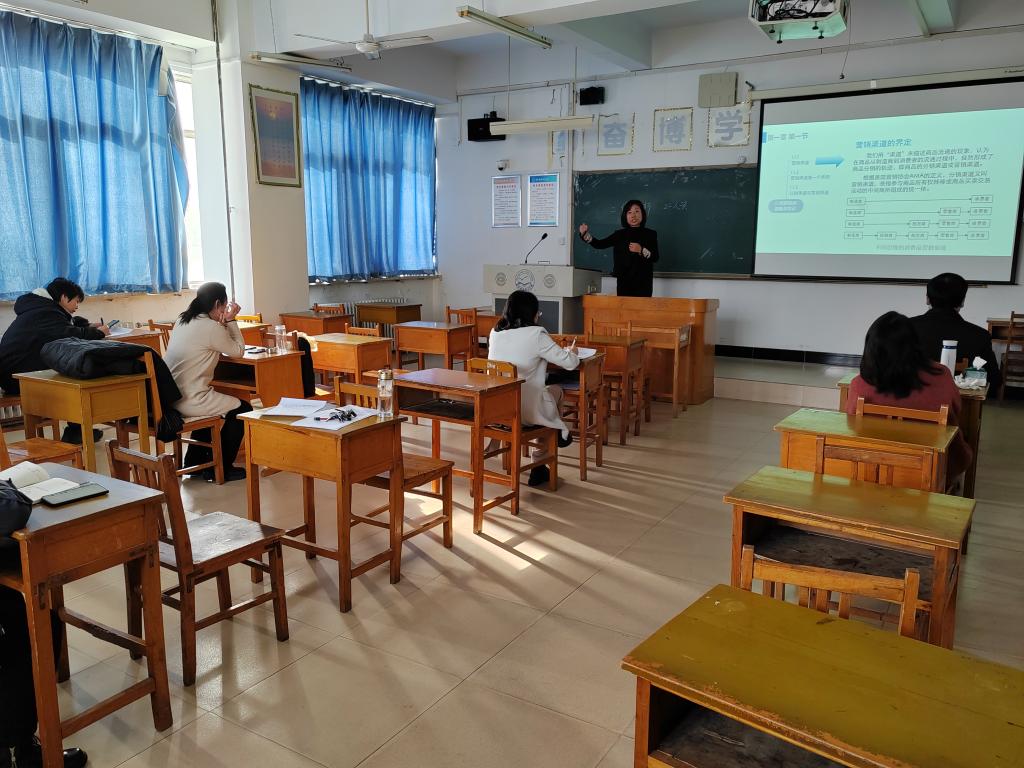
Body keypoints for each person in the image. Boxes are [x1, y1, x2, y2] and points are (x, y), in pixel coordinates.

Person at [847, 311, 972, 481]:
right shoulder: (941, 375)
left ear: (870, 347)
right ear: (916, 344)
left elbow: (851, 426)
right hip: (932, 470)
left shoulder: (859, 385)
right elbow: (956, 409)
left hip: (872, 469)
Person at [0, 278, 110, 444]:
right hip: (16, 378)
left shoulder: (40, 308)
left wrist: (88, 326)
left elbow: (65, 326)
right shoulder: (45, 312)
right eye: (76, 301)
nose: (77, 306)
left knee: (69, 370)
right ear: (64, 297)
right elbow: (69, 334)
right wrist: (99, 333)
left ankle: (76, 431)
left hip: (16, 372)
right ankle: (76, 431)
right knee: (73, 375)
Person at [488, 290, 578, 487]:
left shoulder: (495, 333)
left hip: (498, 408)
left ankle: (553, 430)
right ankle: (541, 458)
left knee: (542, 396)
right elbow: (570, 363)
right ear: (532, 313)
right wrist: (573, 352)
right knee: (556, 392)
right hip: (526, 411)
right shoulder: (536, 334)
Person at [162, 282, 251, 482]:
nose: (224, 311)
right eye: (224, 306)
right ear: (218, 304)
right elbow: (238, 351)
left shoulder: (183, 319)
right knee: (243, 409)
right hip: (190, 398)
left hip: (170, 396)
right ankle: (221, 467)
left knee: (212, 406)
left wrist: (222, 323)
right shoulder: (211, 328)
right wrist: (232, 320)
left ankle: (193, 462)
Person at [909, 272, 1000, 391]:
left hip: (907, 396)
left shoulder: (905, 327)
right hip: (957, 400)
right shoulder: (980, 335)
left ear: (927, 299)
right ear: (962, 301)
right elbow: (994, 380)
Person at [577, 200, 659, 297]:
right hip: (624, 282)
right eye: (629, 212)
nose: (633, 215)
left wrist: (641, 250)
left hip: (644, 283)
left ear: (643, 214)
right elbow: (600, 244)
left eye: (637, 211)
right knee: (623, 306)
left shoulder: (650, 234)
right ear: (625, 216)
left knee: (642, 307)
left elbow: (655, 257)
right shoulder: (619, 235)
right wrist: (585, 235)